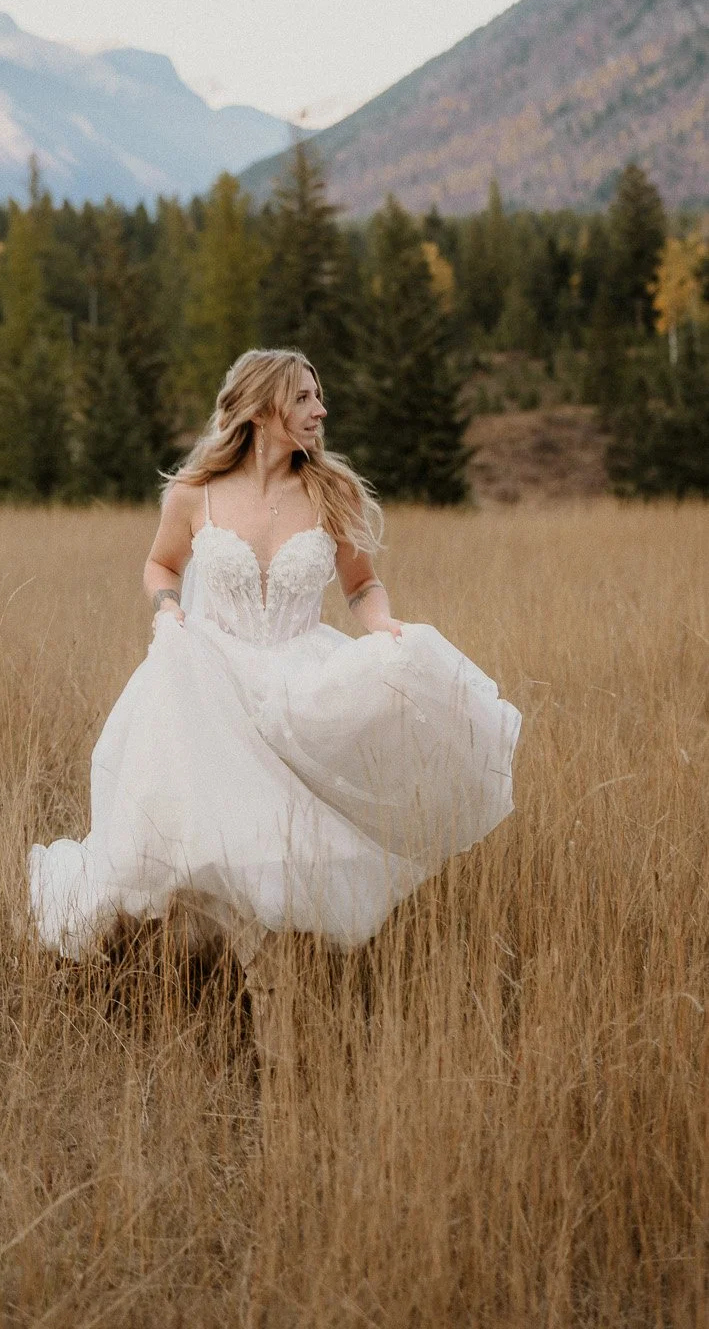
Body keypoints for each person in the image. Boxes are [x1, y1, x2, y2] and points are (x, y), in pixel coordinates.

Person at [29, 348, 520, 962]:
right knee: (211, 833)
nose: (322, 409)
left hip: (301, 677)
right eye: (304, 398)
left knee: (294, 842)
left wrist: (382, 626)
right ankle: (193, 968)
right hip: (213, 676)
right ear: (262, 410)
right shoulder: (193, 494)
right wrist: (168, 608)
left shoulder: (330, 491)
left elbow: (362, 585)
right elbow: (160, 565)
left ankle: (283, 971)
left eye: (318, 396)